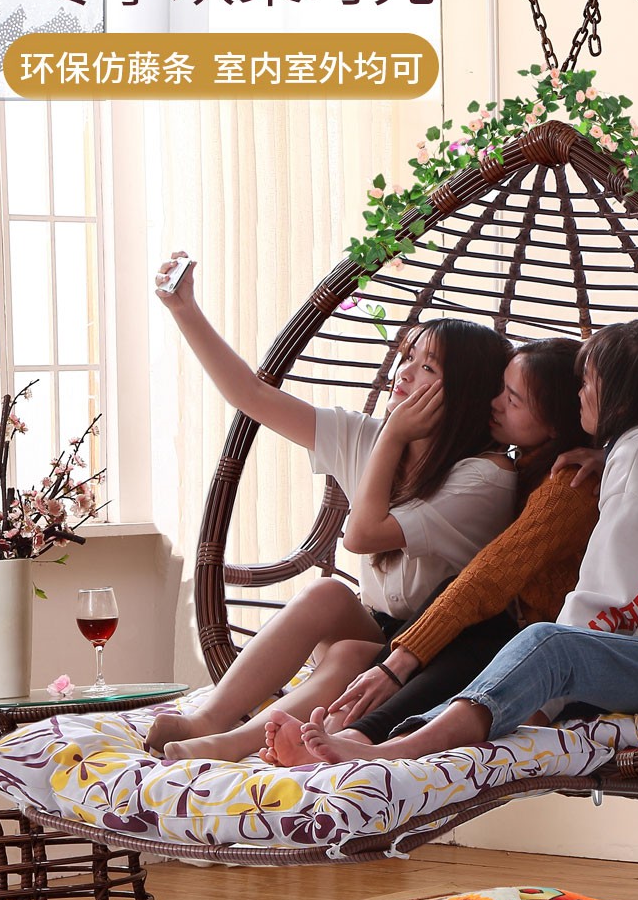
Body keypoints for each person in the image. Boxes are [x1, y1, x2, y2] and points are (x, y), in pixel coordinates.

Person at [286, 317, 638, 767]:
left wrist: (548, 685)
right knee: (511, 633)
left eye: (588, 382)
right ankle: (380, 732)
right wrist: (609, 454)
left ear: (621, 400)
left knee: (548, 643)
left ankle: (397, 749)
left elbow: (605, 597)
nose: (580, 394)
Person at [145, 252, 517, 761]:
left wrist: (392, 437)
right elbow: (251, 395)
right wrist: (184, 309)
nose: (403, 372)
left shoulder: (484, 477)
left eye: (426, 366)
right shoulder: (366, 436)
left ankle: (230, 745)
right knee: (328, 595)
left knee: (348, 653)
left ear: (464, 395)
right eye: (407, 356)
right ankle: (209, 720)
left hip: (439, 652)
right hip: (380, 631)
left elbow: (361, 536)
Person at [259, 337, 600, 766]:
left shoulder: (566, 486)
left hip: (543, 657)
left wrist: (397, 663)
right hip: (496, 633)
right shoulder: (529, 467)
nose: (494, 403)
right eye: (500, 388)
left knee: (479, 629)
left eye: (512, 400)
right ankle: (333, 730)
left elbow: (488, 578)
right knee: (428, 623)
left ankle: (357, 737)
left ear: (554, 424)